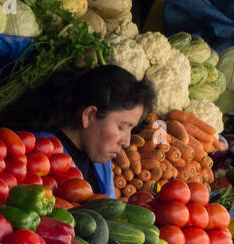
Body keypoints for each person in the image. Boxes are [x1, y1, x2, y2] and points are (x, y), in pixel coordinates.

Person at [29, 65, 154, 197]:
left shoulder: (101, 160)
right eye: (121, 127)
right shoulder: (41, 155)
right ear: (89, 115)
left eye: (131, 129)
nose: (126, 142)